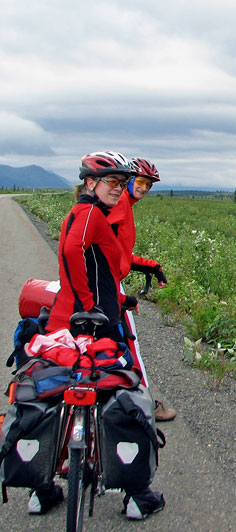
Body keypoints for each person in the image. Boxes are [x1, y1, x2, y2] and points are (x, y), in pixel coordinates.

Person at [34, 151, 165, 520]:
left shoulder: (86, 213)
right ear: (90, 182)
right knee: (124, 391)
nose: (119, 189)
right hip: (92, 323)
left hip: (67, 319)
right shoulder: (91, 213)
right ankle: (137, 494)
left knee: (60, 393)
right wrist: (89, 305)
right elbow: (71, 252)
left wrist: (120, 298)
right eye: (113, 182)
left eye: (123, 183)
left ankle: (41, 488)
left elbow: (100, 268)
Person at [107, 157, 176, 422]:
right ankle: (145, 404)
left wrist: (151, 266)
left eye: (148, 184)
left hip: (107, 283)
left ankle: (115, 398)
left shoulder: (124, 205)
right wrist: (118, 295)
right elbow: (102, 252)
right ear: (128, 180)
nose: (144, 188)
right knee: (130, 344)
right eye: (141, 181)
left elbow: (120, 253)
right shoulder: (118, 206)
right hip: (107, 285)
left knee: (110, 343)